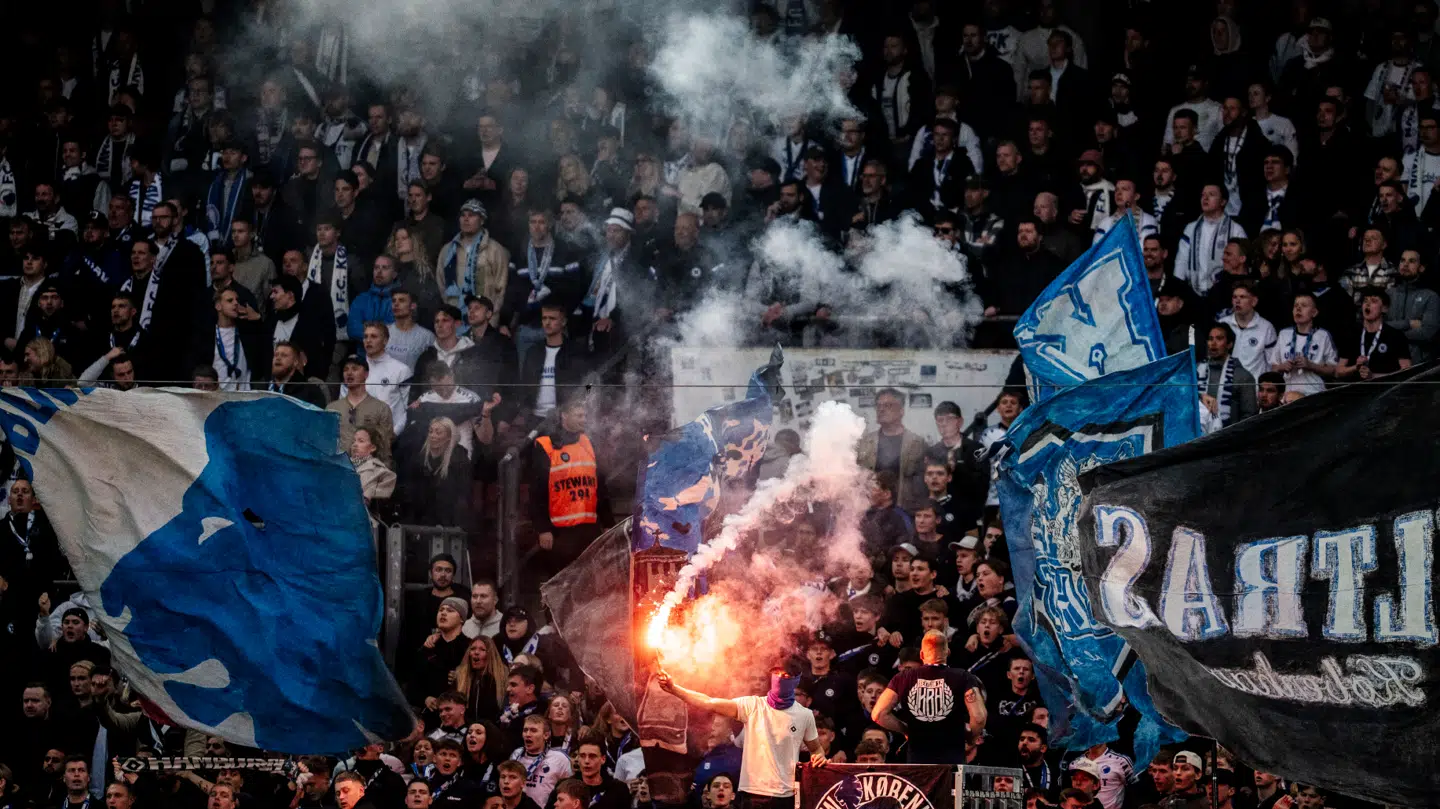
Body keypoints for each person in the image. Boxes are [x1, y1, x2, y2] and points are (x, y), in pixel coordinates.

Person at [659, 666, 824, 809]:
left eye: (785, 678)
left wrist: (819, 759)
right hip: (752, 794)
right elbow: (709, 702)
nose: (780, 681)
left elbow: (816, 748)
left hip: (785, 794)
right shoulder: (752, 705)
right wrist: (675, 689)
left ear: (795, 682)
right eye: (776, 677)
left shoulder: (804, 715)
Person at [871, 630, 986, 763]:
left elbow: (878, 714)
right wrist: (971, 738)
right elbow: (979, 717)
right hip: (952, 761)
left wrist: (907, 730)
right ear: (947, 652)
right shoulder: (964, 677)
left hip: (917, 762)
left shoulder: (902, 678)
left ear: (921, 654)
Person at [530, 396, 611, 573]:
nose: (584, 420)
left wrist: (607, 523)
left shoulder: (589, 443)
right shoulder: (546, 446)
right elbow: (537, 493)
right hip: (560, 532)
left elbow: (601, 487)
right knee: (563, 584)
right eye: (579, 416)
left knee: (589, 582)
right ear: (564, 416)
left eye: (585, 416)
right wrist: (543, 528)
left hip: (589, 529)